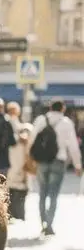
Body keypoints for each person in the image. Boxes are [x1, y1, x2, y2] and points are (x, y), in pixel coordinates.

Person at [29, 99, 83, 236]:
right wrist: (77, 165)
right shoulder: (66, 122)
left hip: (42, 161)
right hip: (58, 161)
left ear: (50, 108)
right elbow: (73, 146)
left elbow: (31, 140)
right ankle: (49, 224)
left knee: (42, 193)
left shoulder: (40, 120)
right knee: (53, 194)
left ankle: (42, 223)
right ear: (63, 109)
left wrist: (31, 159)